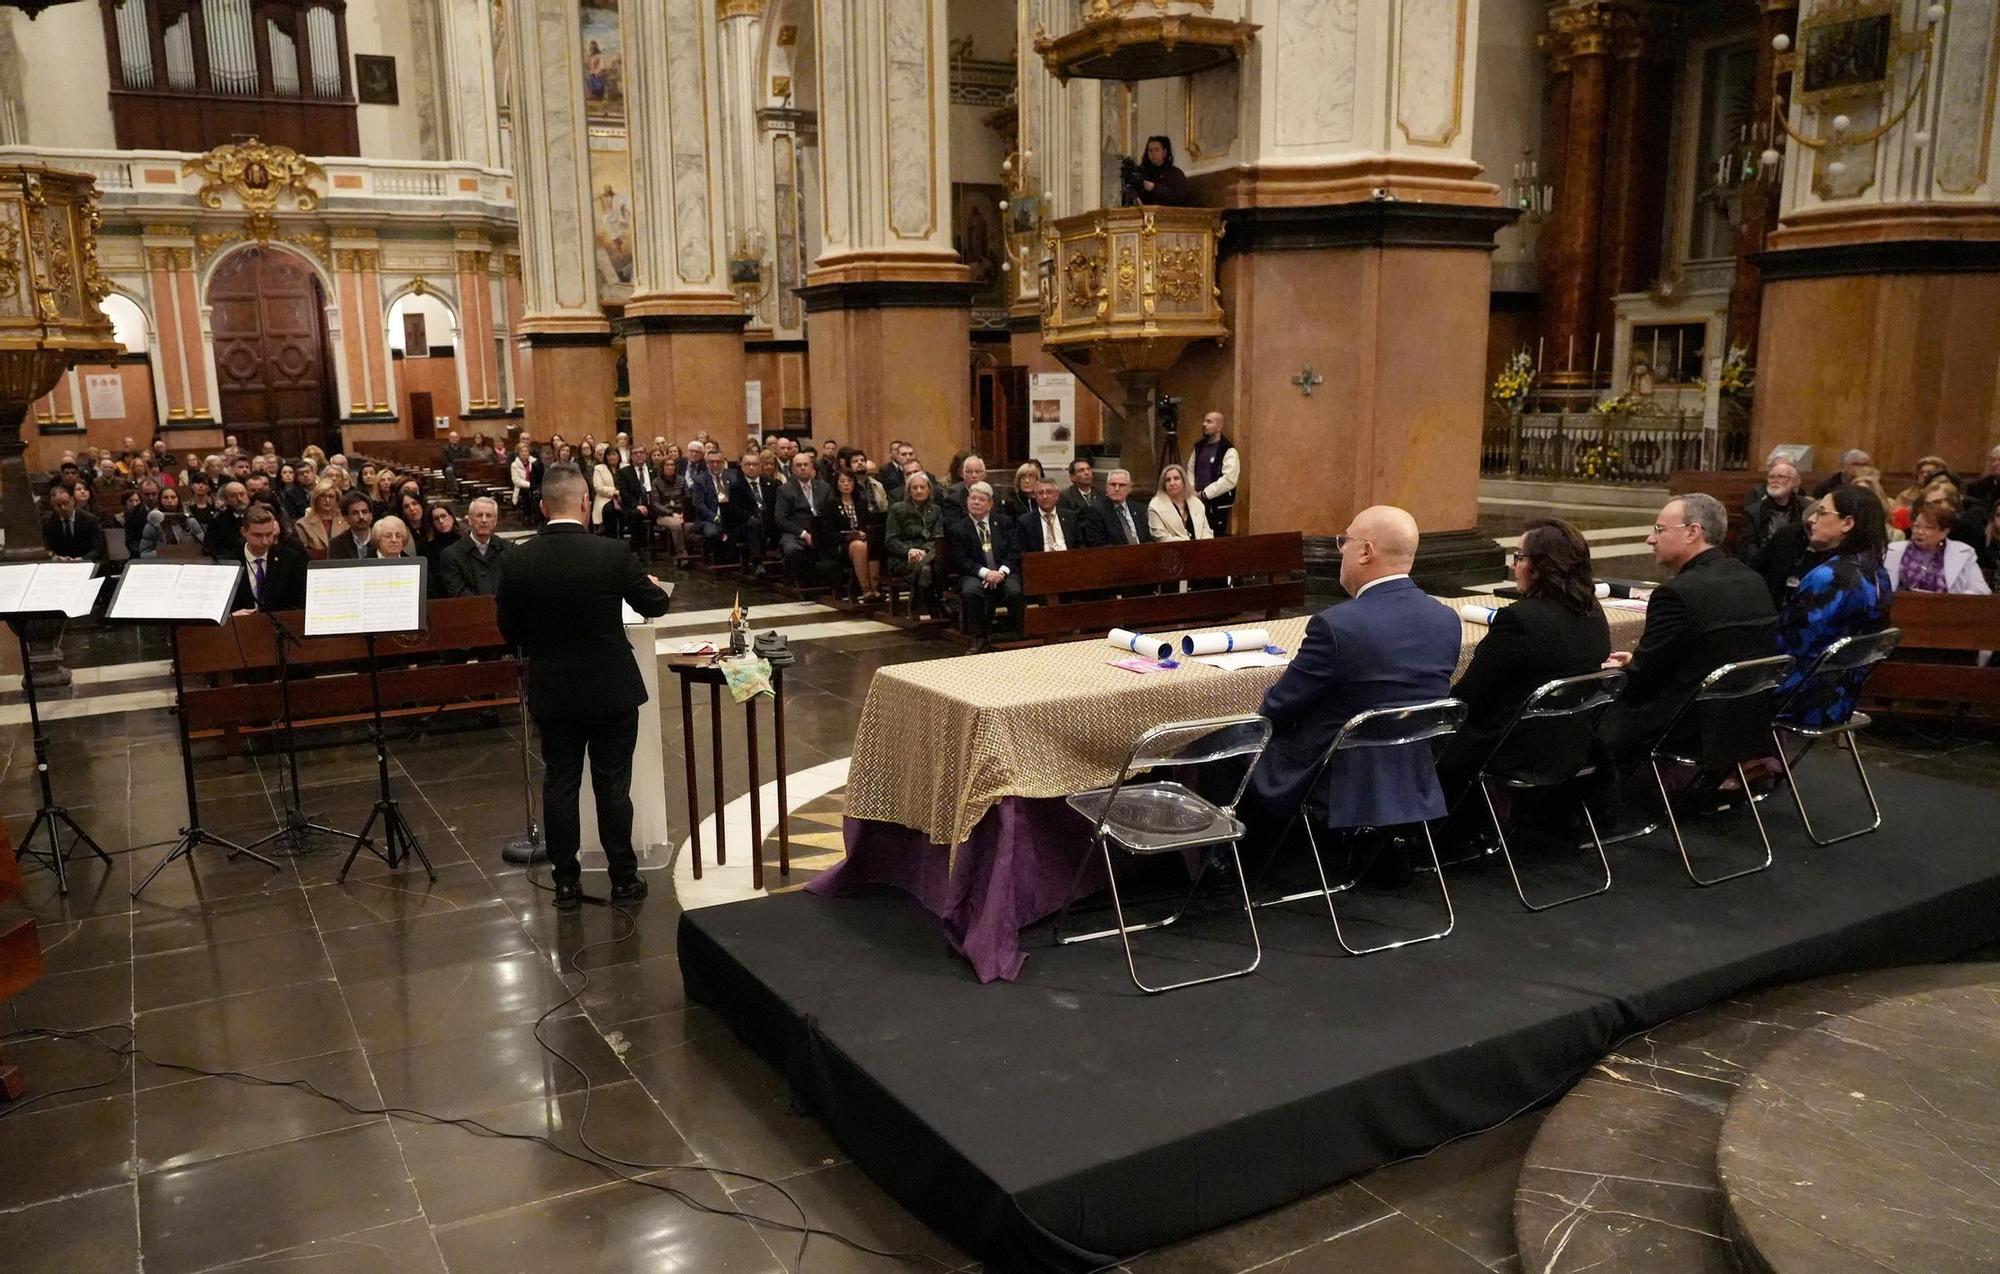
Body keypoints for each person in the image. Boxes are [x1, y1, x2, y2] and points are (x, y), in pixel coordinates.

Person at [496, 463, 672, 909]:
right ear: (585, 502)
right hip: (611, 688)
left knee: (561, 783)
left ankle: (566, 883)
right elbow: (656, 603)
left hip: (554, 691)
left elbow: (510, 634)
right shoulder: (612, 554)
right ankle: (624, 880)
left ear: (541, 506)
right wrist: (650, 585)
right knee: (613, 784)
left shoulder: (518, 560)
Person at [1238, 506, 1461, 852]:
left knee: (1228, 743)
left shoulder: (1337, 626)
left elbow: (1277, 708)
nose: (1340, 550)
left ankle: (1226, 866)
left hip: (1337, 772)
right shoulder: (1447, 619)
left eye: (1345, 541)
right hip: (1412, 768)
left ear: (1366, 551)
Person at [1436, 518, 1612, 797]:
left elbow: (1470, 695)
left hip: (1513, 748)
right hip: (1573, 743)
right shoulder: (1594, 613)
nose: (1514, 565)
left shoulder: (1519, 620)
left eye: (1519, 556)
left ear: (1541, 566)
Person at [1598, 494, 1778, 766]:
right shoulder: (1752, 579)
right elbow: (1713, 652)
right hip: (1746, 718)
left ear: (1693, 532)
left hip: (1688, 725)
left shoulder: (1676, 593)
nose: (1650, 539)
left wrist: (1615, 675)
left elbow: (1641, 682)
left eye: (1660, 529)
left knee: (1585, 720)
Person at [1773, 487, 1893, 729]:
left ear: (1847, 523)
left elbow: (1788, 646)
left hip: (1802, 699)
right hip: (1842, 698)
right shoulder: (1879, 574)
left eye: (1822, 512)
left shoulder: (1828, 576)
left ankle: (1754, 762)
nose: (1811, 519)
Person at [946, 482, 1022, 652]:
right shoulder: (959, 529)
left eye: (981, 499)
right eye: (973, 498)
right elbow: (962, 560)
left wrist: (1001, 572)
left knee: (1014, 590)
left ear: (990, 504)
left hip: (1004, 571)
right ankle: (978, 637)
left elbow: (1014, 551)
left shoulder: (1004, 522)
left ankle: (1019, 633)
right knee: (970, 591)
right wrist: (986, 573)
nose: (976, 502)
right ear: (967, 501)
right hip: (975, 572)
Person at [1885, 507, 1991, 595]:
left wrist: (1955, 602)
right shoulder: (1893, 551)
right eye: (1917, 526)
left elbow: (1982, 591)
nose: (1919, 532)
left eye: (1928, 528)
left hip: (1946, 614)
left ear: (1944, 532)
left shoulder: (1964, 553)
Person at [886, 472, 946, 617]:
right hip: (903, 558)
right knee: (925, 569)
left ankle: (921, 604)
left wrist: (924, 551)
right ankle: (933, 606)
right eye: (915, 487)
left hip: (930, 555)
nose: (919, 491)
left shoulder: (936, 510)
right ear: (909, 490)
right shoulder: (897, 509)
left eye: (922, 487)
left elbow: (938, 537)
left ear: (929, 490)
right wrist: (909, 551)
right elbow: (890, 540)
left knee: (929, 565)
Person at [230, 505, 308, 613]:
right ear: (243, 532)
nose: (265, 541)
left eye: (269, 534)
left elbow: (300, 600)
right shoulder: (230, 563)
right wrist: (232, 616)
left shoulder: (289, 559)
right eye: (258, 535)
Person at [776, 451, 832, 581]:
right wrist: (804, 534)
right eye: (798, 465)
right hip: (796, 532)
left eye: (806, 464)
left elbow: (830, 513)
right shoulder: (785, 490)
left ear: (812, 467)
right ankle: (804, 582)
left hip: (821, 531)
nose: (802, 468)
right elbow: (780, 520)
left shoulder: (824, 487)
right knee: (792, 549)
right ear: (792, 469)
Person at [441, 497, 511, 597]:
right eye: (479, 515)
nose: (484, 520)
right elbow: (457, 592)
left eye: (489, 515)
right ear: (470, 520)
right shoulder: (451, 554)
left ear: (495, 521)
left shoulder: (509, 550)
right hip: (469, 610)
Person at [828, 469, 880, 601]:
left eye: (849, 481)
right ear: (837, 484)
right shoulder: (831, 504)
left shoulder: (861, 502)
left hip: (863, 539)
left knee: (872, 544)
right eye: (842, 481)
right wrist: (849, 536)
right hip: (841, 544)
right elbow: (828, 533)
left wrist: (864, 533)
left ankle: (876, 588)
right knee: (858, 546)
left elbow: (869, 524)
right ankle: (866, 589)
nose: (846, 484)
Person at [1738, 459, 1804, 563]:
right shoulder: (1753, 511)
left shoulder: (1805, 507)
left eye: (1781, 477)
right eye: (1771, 477)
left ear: (1794, 482)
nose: (1775, 480)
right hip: (1762, 564)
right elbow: (1746, 547)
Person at [1188, 412, 1240, 536]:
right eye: (1204, 421)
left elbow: (1229, 479)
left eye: (1209, 421)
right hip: (1196, 502)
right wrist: (1191, 491)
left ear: (1219, 426)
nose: (1204, 424)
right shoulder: (1198, 447)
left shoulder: (1228, 450)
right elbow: (1190, 469)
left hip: (1217, 506)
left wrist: (1205, 494)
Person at [722, 451, 770, 572]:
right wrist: (754, 517)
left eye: (755, 464)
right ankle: (758, 562)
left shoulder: (770, 483)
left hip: (767, 521)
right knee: (753, 524)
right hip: (745, 524)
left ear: (760, 466)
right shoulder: (736, 486)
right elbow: (736, 511)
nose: (751, 467)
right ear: (742, 467)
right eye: (748, 464)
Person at [1147, 464, 1213, 542]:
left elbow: (1206, 531)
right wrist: (1189, 544)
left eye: (1176, 478)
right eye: (1168, 480)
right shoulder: (1155, 506)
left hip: (1201, 550)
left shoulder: (1196, 502)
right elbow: (1160, 536)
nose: (1172, 483)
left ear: (1184, 481)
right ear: (1163, 484)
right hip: (1172, 551)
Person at [1086, 469, 1151, 546]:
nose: (1117, 489)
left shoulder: (1140, 509)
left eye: (1122, 485)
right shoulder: (1096, 511)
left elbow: (1148, 539)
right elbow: (1099, 545)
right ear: (1107, 487)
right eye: (1113, 485)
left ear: (1130, 488)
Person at [41, 484, 104, 562]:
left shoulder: (90, 520)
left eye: (65, 503)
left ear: (73, 501)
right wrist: (55, 557)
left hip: (85, 563)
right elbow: (45, 547)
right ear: (52, 505)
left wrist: (80, 559)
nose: (63, 508)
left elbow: (98, 549)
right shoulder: (47, 522)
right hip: (59, 565)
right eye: (58, 505)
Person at [616, 445, 660, 553]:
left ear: (646, 455)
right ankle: (638, 548)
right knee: (635, 514)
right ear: (631, 456)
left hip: (653, 504)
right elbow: (624, 492)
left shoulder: (654, 470)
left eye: (641, 452)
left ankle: (657, 546)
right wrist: (637, 505)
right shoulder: (624, 472)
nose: (639, 455)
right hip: (634, 504)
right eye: (635, 453)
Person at [1018, 478, 1081, 553]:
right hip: (1041, 561)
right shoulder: (1025, 521)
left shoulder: (1070, 517)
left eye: (1049, 492)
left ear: (1057, 495)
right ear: (1035, 497)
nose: (1045, 496)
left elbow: (1080, 544)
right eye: (1040, 493)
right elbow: (1024, 552)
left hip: (1069, 559)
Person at [139, 484, 205, 556]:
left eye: (173, 497)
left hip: (189, 561)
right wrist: (165, 553)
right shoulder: (153, 524)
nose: (170, 500)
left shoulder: (190, 522)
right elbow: (144, 553)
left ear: (178, 499)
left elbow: (205, 547)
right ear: (160, 500)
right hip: (163, 563)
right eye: (165, 498)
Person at [1130, 135, 1189, 206]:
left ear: (1164, 152)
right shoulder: (1143, 173)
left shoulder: (1175, 173)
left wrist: (1154, 188)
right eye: (1150, 151)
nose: (1153, 153)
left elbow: (1179, 197)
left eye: (1156, 150)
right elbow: (1134, 190)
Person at [296, 478, 345, 558]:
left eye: (331, 496)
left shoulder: (346, 522)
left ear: (337, 500)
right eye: (323, 496)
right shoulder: (303, 524)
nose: (327, 500)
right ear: (316, 498)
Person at [419, 504, 462, 595]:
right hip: (439, 594)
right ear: (432, 523)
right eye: (436, 519)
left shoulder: (464, 542)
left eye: (443, 516)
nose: (441, 521)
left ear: (452, 518)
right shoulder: (426, 547)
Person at [206, 481, 250, 562]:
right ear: (225, 499)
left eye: (242, 494)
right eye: (233, 496)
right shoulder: (217, 520)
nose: (239, 499)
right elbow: (211, 547)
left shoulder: (256, 516)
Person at [329, 491, 378, 559]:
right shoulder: (336, 544)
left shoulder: (380, 539)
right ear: (346, 518)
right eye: (355, 513)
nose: (361, 516)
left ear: (371, 515)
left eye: (364, 512)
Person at [1059, 457, 1103, 524]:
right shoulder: (1065, 497)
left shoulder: (1101, 494)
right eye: (1081, 470)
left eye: (1088, 469)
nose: (1087, 473)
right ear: (1072, 477)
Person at [592, 446, 622, 537]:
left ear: (619, 456)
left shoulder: (625, 467)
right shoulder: (599, 468)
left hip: (623, 498)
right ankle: (610, 537)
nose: (612, 457)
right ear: (606, 457)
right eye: (609, 455)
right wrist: (614, 492)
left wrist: (622, 493)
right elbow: (598, 487)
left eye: (614, 454)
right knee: (609, 510)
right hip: (605, 498)